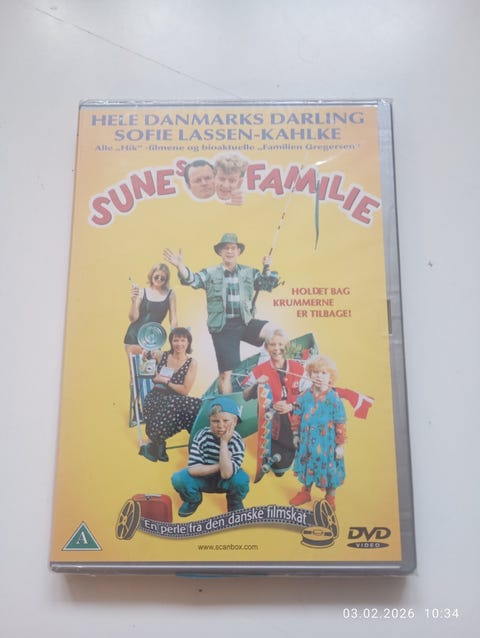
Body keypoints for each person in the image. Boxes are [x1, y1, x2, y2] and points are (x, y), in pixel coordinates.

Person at [164, 233, 280, 394]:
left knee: (275, 333)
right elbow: (192, 280)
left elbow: (267, 285)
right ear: (220, 252)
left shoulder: (249, 272)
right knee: (226, 374)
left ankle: (261, 372)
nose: (230, 251)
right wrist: (180, 266)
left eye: (233, 248)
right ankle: (228, 406)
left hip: (245, 322)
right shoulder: (210, 273)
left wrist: (266, 269)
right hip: (222, 327)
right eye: (226, 248)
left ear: (238, 251)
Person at [171, 397, 250, 517]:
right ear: (209, 421)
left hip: (225, 481)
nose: (220, 425)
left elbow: (226, 474)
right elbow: (193, 470)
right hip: (203, 478)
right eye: (215, 421)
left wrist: (224, 442)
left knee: (242, 480)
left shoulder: (237, 441)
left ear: (234, 421)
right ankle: (193, 499)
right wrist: (220, 465)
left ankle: (234, 502)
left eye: (226, 420)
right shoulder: (202, 435)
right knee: (178, 478)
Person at [242, 329, 305, 477]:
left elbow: (308, 395)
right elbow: (245, 396)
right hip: (271, 421)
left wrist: (291, 406)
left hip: (295, 417)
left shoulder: (297, 368)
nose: (277, 348)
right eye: (272, 344)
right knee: (279, 469)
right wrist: (256, 384)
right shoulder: (259, 370)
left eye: (280, 344)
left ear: (286, 345)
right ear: (266, 347)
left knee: (293, 455)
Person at [289, 355, 347, 510]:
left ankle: (330, 498)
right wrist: (295, 435)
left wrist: (340, 445)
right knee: (306, 466)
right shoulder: (303, 396)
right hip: (307, 443)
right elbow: (296, 416)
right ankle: (305, 492)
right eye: (315, 372)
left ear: (330, 377)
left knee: (330, 471)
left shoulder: (334, 398)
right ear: (309, 374)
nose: (319, 376)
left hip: (328, 446)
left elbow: (341, 422)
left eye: (323, 373)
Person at [141, 327, 202, 462]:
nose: (179, 344)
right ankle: (157, 441)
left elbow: (184, 391)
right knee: (183, 405)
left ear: (188, 342)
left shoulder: (191, 363)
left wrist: (164, 381)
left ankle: (155, 441)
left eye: (183, 340)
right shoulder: (161, 355)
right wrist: (145, 356)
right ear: (171, 342)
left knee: (197, 405)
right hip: (156, 398)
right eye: (175, 340)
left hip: (176, 402)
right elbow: (146, 367)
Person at [124, 263, 177, 355]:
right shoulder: (142, 292)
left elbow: (173, 319)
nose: (159, 279)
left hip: (154, 338)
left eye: (162, 278)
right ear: (151, 275)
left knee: (154, 364)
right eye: (156, 277)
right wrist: (133, 301)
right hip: (135, 337)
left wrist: (175, 337)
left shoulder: (170, 294)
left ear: (166, 280)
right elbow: (133, 318)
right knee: (137, 364)